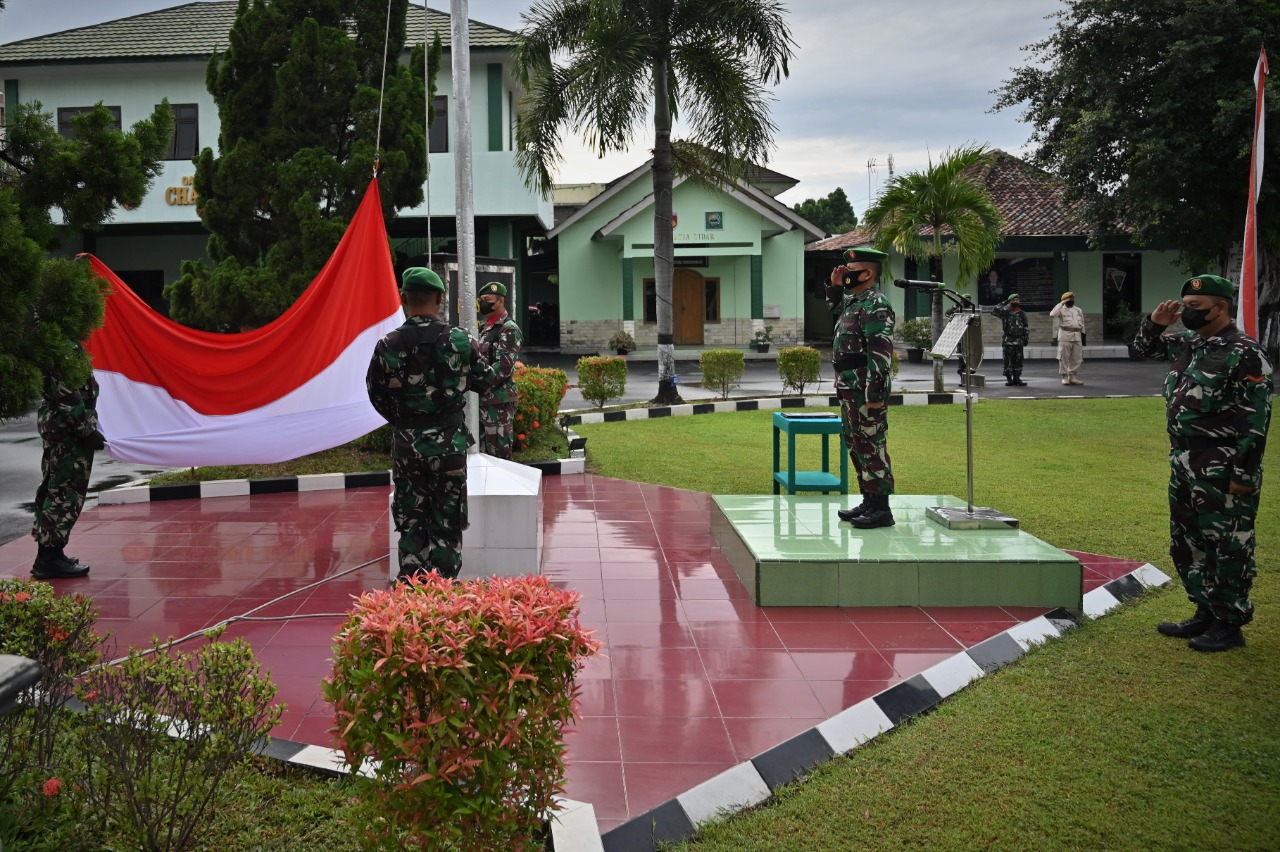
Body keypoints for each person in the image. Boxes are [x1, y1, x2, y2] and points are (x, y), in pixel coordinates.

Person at [1131, 274, 1273, 652]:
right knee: (1188, 540)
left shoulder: (1244, 351)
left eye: (1195, 308)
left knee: (1227, 544)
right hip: (1183, 458)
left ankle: (1229, 623)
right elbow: (1140, 350)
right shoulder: (1188, 345)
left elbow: (1255, 417)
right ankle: (1205, 611)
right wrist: (1154, 324)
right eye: (1186, 307)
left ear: (1221, 308)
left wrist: (1244, 472)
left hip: (1222, 464)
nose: (1188, 314)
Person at [366, 267, 497, 582]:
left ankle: (411, 596)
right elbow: (487, 381)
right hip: (449, 446)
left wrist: (404, 422)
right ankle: (444, 595)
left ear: (404, 298)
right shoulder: (461, 340)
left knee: (411, 520)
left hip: (408, 446)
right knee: (447, 520)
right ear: (440, 298)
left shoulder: (388, 344)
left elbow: (375, 393)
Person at [826, 247, 896, 528]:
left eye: (851, 271)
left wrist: (875, 395)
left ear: (868, 273)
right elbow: (833, 305)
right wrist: (833, 286)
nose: (846, 276)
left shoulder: (876, 304)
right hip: (848, 387)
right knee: (855, 444)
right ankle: (869, 500)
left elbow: (880, 354)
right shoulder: (854, 301)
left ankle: (881, 509)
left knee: (871, 444)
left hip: (865, 389)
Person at [31, 341, 104, 580]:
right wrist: (86, 429)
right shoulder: (63, 347)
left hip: (63, 427)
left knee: (55, 488)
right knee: (65, 491)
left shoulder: (61, 341)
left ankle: (49, 554)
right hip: (69, 430)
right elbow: (66, 393)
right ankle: (49, 559)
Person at [475, 281, 523, 460]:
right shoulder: (484, 328)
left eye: (487, 299)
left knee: (498, 456)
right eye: (481, 300)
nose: (482, 303)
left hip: (498, 403)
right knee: (481, 454)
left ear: (500, 301)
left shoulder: (508, 329)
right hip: (481, 401)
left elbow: (503, 367)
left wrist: (477, 383)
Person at [992, 293, 1030, 386]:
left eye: (1017, 300)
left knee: (1018, 360)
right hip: (1008, 340)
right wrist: (1006, 302)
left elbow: (1025, 326)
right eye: (1013, 300)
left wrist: (1026, 338)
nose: (1016, 302)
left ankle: (1017, 378)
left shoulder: (1022, 313)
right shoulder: (1005, 312)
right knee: (1008, 360)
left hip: (1019, 340)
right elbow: (994, 310)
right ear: (1010, 302)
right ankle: (1009, 379)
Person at [1049, 291, 1086, 385]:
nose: (1071, 300)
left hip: (1077, 335)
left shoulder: (1078, 310)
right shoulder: (1061, 309)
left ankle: (1072, 376)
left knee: (1076, 358)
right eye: (1069, 299)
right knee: (1063, 357)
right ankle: (1064, 376)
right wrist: (1061, 303)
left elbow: (1082, 324)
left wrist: (1083, 336)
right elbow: (1052, 314)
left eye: (1072, 298)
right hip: (1065, 335)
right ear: (1064, 300)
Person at [945, 293, 979, 378]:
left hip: (971, 338)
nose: (968, 301)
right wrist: (956, 304)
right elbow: (947, 313)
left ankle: (970, 376)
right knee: (962, 359)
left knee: (971, 357)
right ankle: (962, 377)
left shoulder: (973, 310)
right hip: (961, 338)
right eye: (965, 300)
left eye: (969, 299)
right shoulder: (958, 310)